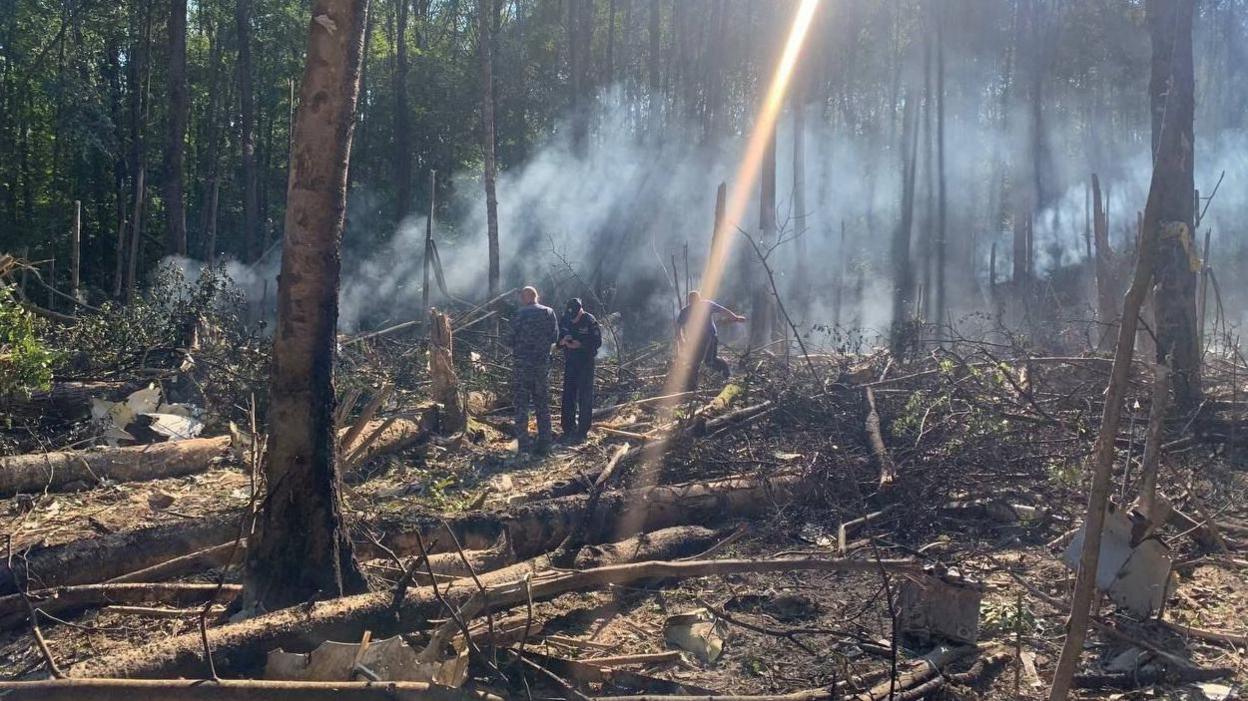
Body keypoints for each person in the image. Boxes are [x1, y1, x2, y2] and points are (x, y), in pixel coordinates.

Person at [506, 286, 560, 454]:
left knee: (521, 405)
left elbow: (508, 339)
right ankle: (545, 443)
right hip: (541, 366)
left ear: (524, 297)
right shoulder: (549, 312)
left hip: (522, 366)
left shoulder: (519, 314)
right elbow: (555, 337)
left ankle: (524, 445)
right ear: (536, 296)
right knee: (542, 404)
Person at [676, 290, 745, 390]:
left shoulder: (706, 305)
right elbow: (678, 326)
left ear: (699, 299)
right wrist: (681, 339)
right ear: (689, 301)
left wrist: (736, 318)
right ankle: (691, 386)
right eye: (692, 301)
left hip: (710, 336)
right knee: (696, 361)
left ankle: (727, 373)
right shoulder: (685, 311)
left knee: (709, 361)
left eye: (696, 301)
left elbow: (722, 310)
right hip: (697, 339)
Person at [558, 298, 602, 443]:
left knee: (585, 397)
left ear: (581, 310)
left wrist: (581, 344)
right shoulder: (565, 319)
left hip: (585, 363)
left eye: (575, 316)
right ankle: (568, 428)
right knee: (568, 395)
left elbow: (597, 342)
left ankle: (582, 431)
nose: (573, 320)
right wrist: (563, 341)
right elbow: (557, 339)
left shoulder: (590, 320)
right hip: (570, 362)